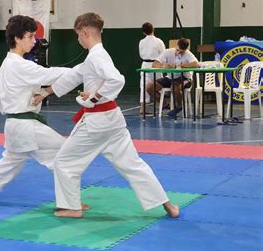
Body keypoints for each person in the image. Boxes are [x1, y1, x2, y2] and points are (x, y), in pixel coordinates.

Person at [38, 13, 179, 218]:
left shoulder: (96, 56)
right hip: (113, 121)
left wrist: (94, 97)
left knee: (64, 162)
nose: (78, 40)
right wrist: (45, 92)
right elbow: (76, 74)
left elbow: (117, 80)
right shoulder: (97, 55)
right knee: (133, 165)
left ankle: (71, 207)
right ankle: (168, 205)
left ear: (85, 32)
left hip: (96, 123)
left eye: (78, 35)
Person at [0, 15, 89, 209]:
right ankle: (70, 203)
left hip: (13, 125)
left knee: (10, 161)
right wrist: (84, 69)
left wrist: (10, 108)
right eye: (30, 36)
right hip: (27, 126)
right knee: (66, 154)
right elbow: (49, 74)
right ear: (18, 38)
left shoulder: (7, 64)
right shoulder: (19, 65)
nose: (34, 40)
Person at [147, 38, 198, 117]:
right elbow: (154, 64)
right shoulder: (168, 52)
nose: (179, 52)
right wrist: (163, 66)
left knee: (174, 87)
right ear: (176, 45)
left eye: (181, 51)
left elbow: (196, 64)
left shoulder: (188, 54)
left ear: (186, 49)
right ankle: (165, 104)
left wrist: (180, 65)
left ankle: (179, 106)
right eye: (178, 50)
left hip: (184, 78)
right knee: (149, 87)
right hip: (170, 78)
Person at [138, 22, 165, 114]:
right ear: (153, 29)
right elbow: (163, 54)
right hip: (156, 65)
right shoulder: (158, 41)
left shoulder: (141, 42)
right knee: (160, 85)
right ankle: (161, 104)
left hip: (145, 64)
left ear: (143, 32)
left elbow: (141, 54)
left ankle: (143, 108)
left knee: (143, 86)